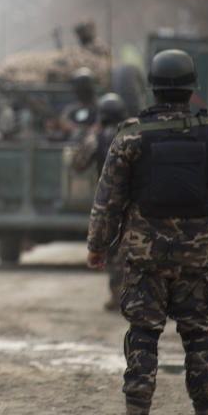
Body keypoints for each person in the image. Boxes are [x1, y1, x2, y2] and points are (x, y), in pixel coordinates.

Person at [86, 49, 208, 415]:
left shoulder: (131, 134)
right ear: (192, 87)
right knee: (197, 335)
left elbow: (107, 199)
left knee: (143, 333)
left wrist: (97, 246)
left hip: (145, 256)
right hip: (196, 257)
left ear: (153, 88)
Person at [73, 92, 127, 311]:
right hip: (137, 199)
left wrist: (90, 134)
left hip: (109, 200)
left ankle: (118, 296)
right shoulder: (133, 135)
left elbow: (78, 163)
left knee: (113, 249)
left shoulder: (97, 138)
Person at [47, 67, 99, 140]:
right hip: (72, 143)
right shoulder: (72, 109)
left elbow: (99, 126)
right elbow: (64, 122)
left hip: (93, 143)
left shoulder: (99, 108)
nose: (80, 92)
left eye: (82, 89)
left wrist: (86, 131)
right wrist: (74, 129)